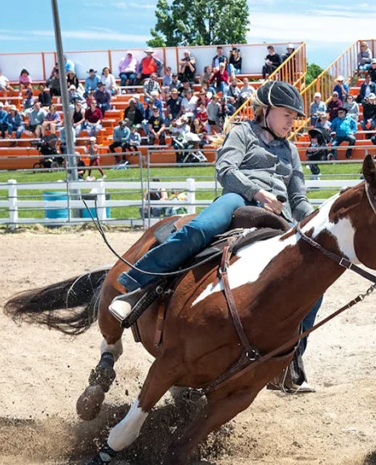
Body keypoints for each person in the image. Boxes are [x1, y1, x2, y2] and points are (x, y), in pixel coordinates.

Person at [108, 81, 318, 387]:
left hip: (279, 216)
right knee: (200, 229)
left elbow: (297, 197)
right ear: (266, 111)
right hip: (238, 202)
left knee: (314, 275)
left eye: (293, 116)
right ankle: (137, 288)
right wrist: (257, 193)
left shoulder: (291, 150)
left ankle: (291, 359)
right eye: (287, 114)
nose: (291, 121)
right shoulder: (242, 133)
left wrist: (312, 219)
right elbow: (226, 170)